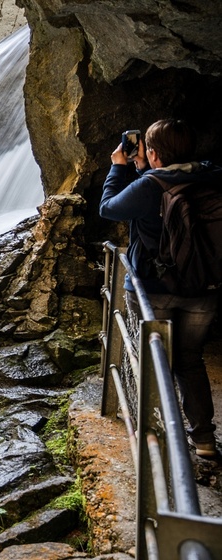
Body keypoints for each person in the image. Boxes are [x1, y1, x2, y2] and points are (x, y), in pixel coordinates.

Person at [100, 118, 222, 460]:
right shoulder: (212, 175)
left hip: (155, 289)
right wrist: (144, 167)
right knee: (190, 359)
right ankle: (205, 439)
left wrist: (119, 168)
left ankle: (154, 436)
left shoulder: (151, 184)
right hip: (204, 288)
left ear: (152, 153)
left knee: (154, 361)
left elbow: (109, 208)